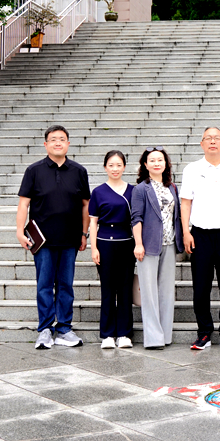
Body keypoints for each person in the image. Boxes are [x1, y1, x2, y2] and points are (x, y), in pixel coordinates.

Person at [16, 125, 90, 350]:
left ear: (68, 143)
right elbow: (23, 204)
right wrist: (19, 231)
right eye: (53, 139)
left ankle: (64, 329)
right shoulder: (34, 170)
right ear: (45, 144)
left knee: (66, 285)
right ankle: (45, 329)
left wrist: (84, 233)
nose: (58, 142)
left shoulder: (79, 171)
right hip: (42, 241)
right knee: (44, 285)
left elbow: (85, 205)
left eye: (62, 139)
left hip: (70, 239)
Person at [180, 127, 220, 351]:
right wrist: (186, 231)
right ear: (202, 144)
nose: (213, 141)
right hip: (200, 235)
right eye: (208, 138)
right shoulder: (192, 169)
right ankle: (204, 332)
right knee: (201, 287)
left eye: (217, 138)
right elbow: (185, 202)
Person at [131, 146, 184, 349]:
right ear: (145, 164)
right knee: (149, 293)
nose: (156, 163)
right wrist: (138, 244)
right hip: (148, 245)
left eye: (160, 160)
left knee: (166, 292)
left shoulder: (172, 188)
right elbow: (136, 218)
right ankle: (153, 339)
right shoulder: (140, 189)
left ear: (166, 163)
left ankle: (166, 336)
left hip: (170, 244)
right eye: (152, 160)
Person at [89, 150, 136, 349]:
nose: (115, 169)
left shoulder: (133, 191)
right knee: (107, 289)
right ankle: (107, 334)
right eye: (111, 165)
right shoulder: (98, 192)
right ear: (105, 167)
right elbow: (93, 222)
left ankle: (124, 334)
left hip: (127, 243)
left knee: (125, 289)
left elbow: (137, 220)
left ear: (124, 167)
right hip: (105, 244)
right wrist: (94, 248)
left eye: (118, 165)